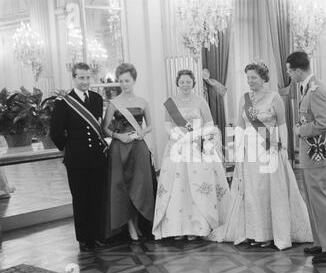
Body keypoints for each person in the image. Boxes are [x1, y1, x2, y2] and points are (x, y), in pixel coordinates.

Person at [207, 62, 312, 250]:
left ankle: (269, 234)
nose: (250, 81)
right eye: (247, 77)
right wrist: (236, 151)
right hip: (249, 153)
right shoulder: (244, 98)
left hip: (270, 150)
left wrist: (284, 150)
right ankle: (253, 233)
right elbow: (240, 126)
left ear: (263, 78)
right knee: (252, 194)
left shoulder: (274, 97)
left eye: (253, 77)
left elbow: (282, 125)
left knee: (268, 193)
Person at [152, 69, 231, 241]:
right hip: (178, 147)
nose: (185, 85)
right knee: (178, 187)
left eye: (188, 82)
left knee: (197, 185)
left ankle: (197, 226)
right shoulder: (170, 102)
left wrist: (198, 135)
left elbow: (209, 122)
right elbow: (167, 123)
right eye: (182, 82)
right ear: (177, 83)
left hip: (196, 146)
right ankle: (177, 227)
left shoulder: (200, 101)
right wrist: (177, 135)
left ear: (193, 83)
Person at [287, 51, 326, 264]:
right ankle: (320, 243)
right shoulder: (308, 88)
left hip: (318, 155)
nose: (289, 75)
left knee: (320, 200)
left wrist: (301, 130)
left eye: (290, 71)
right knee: (312, 201)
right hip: (311, 155)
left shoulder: (316, 89)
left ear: (298, 70)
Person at [50, 62, 108, 252]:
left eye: (87, 77)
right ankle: (84, 238)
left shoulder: (98, 99)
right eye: (81, 78)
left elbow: (98, 125)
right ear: (74, 78)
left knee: (96, 197)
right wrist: (70, 147)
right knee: (81, 198)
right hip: (77, 159)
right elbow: (56, 131)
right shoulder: (64, 102)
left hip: (97, 158)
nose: (85, 81)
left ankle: (98, 234)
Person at [103, 63, 157, 242]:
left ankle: (137, 222)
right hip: (120, 149)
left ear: (134, 80)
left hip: (139, 148)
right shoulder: (113, 104)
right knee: (123, 186)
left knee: (140, 185)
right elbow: (105, 129)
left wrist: (143, 132)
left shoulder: (142, 102)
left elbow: (150, 125)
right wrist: (119, 136)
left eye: (127, 80)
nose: (124, 84)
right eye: (121, 81)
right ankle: (130, 225)